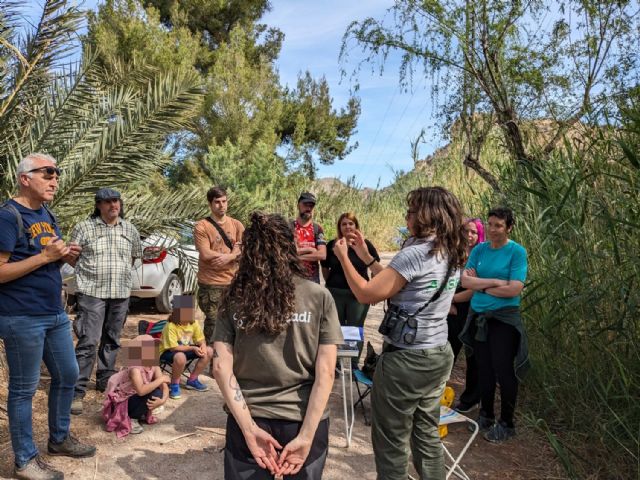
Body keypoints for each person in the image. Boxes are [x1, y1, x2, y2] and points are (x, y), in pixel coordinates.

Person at [333, 187, 467, 480]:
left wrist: (344, 258)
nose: (407, 217)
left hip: (406, 361)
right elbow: (399, 283)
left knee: (391, 441)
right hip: (437, 353)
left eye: (411, 211)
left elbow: (367, 293)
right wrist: (366, 258)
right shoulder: (450, 251)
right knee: (426, 433)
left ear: (426, 215)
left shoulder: (415, 253)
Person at [213, 212, 343, 479]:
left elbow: (220, 368)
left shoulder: (233, 297)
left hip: (248, 418)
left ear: (247, 252)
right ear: (291, 247)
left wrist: (249, 430)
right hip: (305, 419)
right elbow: (326, 373)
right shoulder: (319, 297)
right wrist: (307, 436)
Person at [0, 153, 96, 480]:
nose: (55, 179)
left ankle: (58, 438)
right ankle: (25, 461)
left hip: (53, 312)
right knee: (24, 390)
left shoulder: (45, 213)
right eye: (48, 172)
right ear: (25, 178)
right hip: (21, 316)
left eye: (57, 173)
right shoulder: (8, 216)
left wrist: (63, 257)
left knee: (68, 374)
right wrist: (44, 256)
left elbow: (48, 262)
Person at [70, 188, 143, 415]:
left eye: (117, 201)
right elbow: (72, 257)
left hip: (120, 293)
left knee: (112, 339)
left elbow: (134, 257)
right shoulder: (84, 227)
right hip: (92, 293)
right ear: (99, 205)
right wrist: (87, 276)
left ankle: (105, 379)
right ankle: (76, 391)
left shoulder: (130, 229)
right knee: (89, 340)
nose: (114, 205)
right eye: (108, 202)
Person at [460, 207, 530, 444]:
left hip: (503, 319)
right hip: (480, 316)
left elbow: (514, 288)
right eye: (490, 224)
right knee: (484, 368)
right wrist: (493, 282)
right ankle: (486, 415)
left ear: (509, 227)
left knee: (503, 370)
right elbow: (464, 280)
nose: (492, 229)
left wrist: (480, 286)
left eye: (498, 225)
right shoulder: (479, 249)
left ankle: (507, 423)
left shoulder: (516, 252)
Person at [321, 212, 380, 368]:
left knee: (355, 329)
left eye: (350, 223)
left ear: (356, 226)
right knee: (336, 329)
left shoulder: (365, 245)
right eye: (344, 224)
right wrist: (331, 284)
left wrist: (374, 291)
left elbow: (375, 269)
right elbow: (325, 268)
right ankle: (335, 364)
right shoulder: (332, 245)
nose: (347, 226)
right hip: (335, 293)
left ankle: (352, 365)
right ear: (339, 227)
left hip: (358, 296)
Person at [194, 186, 244, 344]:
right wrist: (233, 255)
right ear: (210, 204)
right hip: (211, 284)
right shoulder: (202, 226)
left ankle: (230, 365)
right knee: (214, 326)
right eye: (217, 202)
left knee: (236, 325)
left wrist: (229, 257)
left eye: (224, 201)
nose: (221, 205)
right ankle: (212, 364)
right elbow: (206, 254)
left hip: (233, 284)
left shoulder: (236, 225)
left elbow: (243, 250)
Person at [447, 218, 484, 413]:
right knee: (447, 351)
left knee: (473, 356)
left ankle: (470, 399)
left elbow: (473, 290)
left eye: (474, 232)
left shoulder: (481, 256)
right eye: (466, 231)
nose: (470, 236)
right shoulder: (454, 253)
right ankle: (436, 393)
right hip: (452, 310)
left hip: (471, 309)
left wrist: (450, 301)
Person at [102, 335, 170, 437]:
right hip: (124, 401)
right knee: (155, 392)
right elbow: (141, 391)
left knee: (158, 392)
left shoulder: (153, 364)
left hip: (134, 397)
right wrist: (161, 379)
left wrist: (163, 400)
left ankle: (140, 412)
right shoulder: (135, 368)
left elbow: (164, 386)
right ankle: (131, 417)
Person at [159, 295, 213, 399]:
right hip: (167, 352)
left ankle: (192, 380)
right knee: (180, 357)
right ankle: (175, 384)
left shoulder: (193, 323)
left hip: (184, 349)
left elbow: (200, 339)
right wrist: (193, 348)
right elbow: (173, 348)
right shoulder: (170, 326)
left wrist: (202, 346)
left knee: (209, 351)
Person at [291, 192, 326, 283]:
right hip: (293, 278)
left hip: (312, 280)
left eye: (311, 206)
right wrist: (311, 249)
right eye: (305, 205)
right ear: (298, 205)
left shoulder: (317, 228)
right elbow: (286, 253)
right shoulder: (290, 227)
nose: (309, 208)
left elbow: (322, 255)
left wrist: (297, 256)